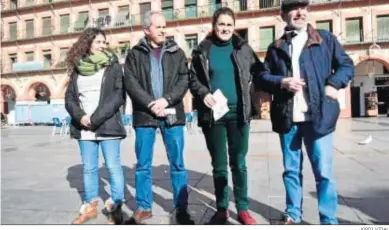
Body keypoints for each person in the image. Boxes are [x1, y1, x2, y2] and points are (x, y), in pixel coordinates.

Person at [256, 0, 355, 224]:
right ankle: (293, 214)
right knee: (291, 171)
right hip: (289, 119)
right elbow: (262, 76)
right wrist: (282, 82)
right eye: (293, 8)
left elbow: (346, 65)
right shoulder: (276, 47)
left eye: (303, 8)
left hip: (318, 118)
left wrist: (333, 84)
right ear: (283, 15)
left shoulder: (325, 39)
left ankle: (328, 219)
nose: (299, 12)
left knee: (324, 173)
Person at [189, 7, 259, 225]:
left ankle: (243, 208)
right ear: (214, 26)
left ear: (234, 26)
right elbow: (193, 80)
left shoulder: (243, 48)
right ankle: (222, 209)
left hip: (239, 114)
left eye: (229, 24)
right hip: (214, 116)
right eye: (221, 24)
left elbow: (260, 71)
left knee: (239, 163)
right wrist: (203, 93)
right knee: (219, 164)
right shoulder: (202, 50)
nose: (225, 28)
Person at [123, 11, 193, 225]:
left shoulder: (176, 51)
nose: (163, 30)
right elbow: (131, 83)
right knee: (143, 164)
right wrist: (151, 104)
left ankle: (181, 207)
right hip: (145, 115)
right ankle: (144, 207)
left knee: (178, 163)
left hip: (172, 114)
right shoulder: (134, 54)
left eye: (164, 26)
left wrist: (166, 100)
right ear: (146, 30)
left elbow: (184, 79)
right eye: (158, 26)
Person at [65, 28, 127, 225]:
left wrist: (96, 118)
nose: (103, 45)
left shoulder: (113, 66)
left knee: (113, 166)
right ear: (88, 44)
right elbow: (70, 97)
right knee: (89, 168)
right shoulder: (77, 69)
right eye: (99, 42)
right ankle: (90, 207)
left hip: (107, 124)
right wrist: (81, 116)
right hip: (84, 126)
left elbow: (118, 96)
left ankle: (116, 207)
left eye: (104, 42)